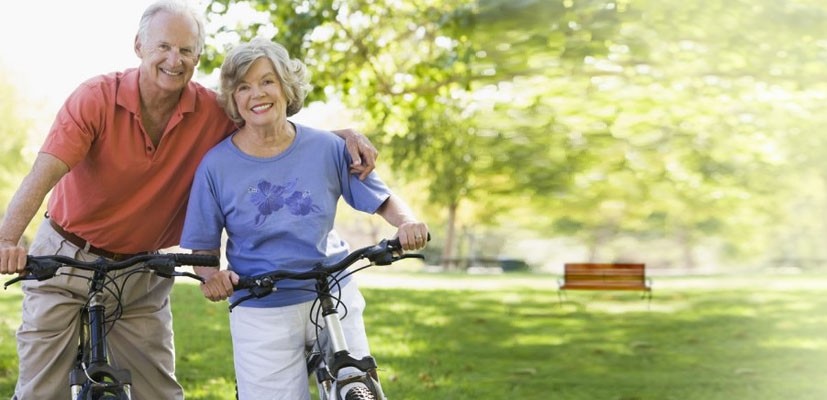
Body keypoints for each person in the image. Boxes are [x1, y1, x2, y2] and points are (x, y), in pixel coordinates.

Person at [0, 1, 378, 399]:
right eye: (163, 47)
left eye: (185, 50)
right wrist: (8, 240)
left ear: (197, 57)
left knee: (160, 392)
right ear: (139, 47)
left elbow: (271, 128)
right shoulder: (95, 98)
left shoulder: (211, 112)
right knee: (42, 389)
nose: (173, 60)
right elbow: (42, 175)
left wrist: (339, 137)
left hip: (142, 270)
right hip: (65, 257)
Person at [179, 37, 429, 400]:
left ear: (286, 87)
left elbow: (381, 197)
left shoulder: (327, 148)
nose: (257, 94)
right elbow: (202, 248)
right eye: (244, 87)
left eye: (268, 81)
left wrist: (406, 223)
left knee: (360, 388)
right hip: (260, 302)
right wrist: (211, 276)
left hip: (331, 290)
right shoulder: (215, 166)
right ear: (233, 100)